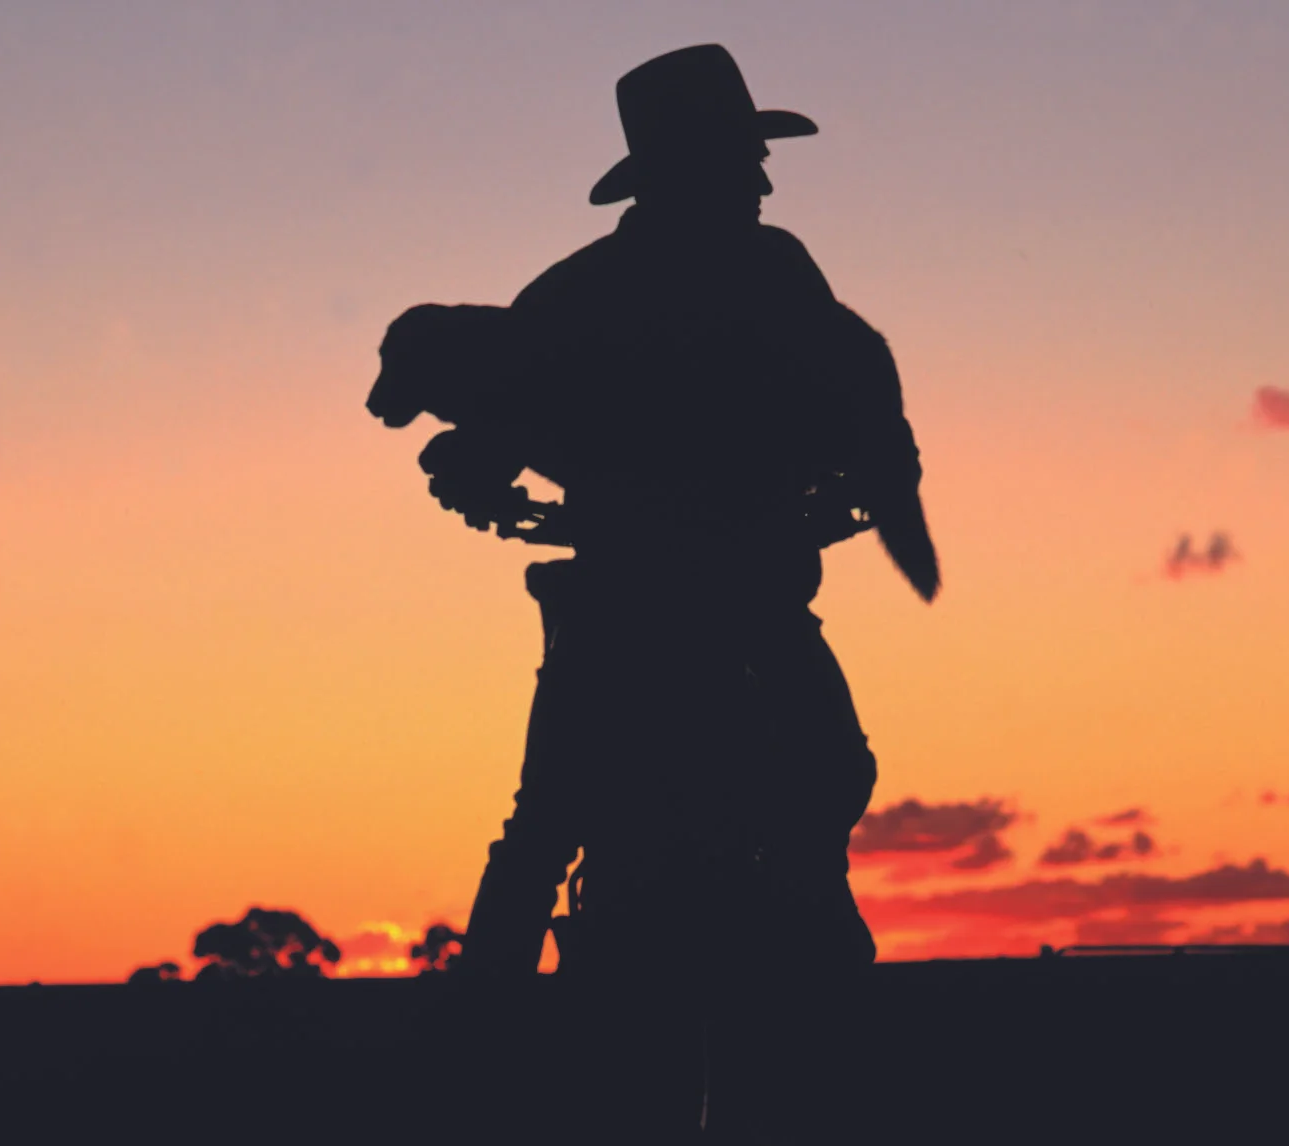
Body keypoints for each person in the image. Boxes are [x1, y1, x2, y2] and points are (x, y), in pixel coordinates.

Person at [370, 43, 938, 1141]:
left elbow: (485, 445)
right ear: (696, 170)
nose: (763, 180)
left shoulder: (579, 295)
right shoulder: (763, 276)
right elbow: (853, 403)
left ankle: (470, 1059)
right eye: (744, 158)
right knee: (805, 788)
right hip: (739, 614)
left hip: (634, 618)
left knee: (550, 826)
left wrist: (474, 478)